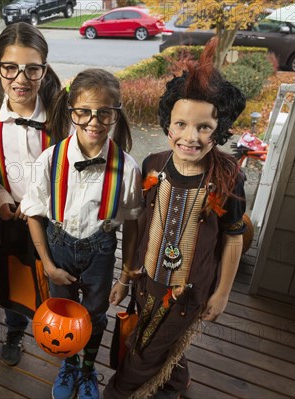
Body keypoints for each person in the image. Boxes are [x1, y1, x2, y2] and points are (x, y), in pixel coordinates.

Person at [103, 39, 247, 399]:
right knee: (154, 343)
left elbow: (232, 236)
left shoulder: (229, 177)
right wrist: (127, 271)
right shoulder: (153, 165)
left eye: (203, 127)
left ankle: (118, 393)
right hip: (146, 279)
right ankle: (177, 388)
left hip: (188, 290)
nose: (190, 136)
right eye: (181, 124)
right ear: (167, 123)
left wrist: (224, 293)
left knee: (144, 352)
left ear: (221, 128)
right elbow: (136, 222)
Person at [21, 68, 143, 399]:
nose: (94, 121)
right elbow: (33, 213)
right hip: (58, 247)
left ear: (116, 113)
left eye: (105, 112)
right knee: (61, 311)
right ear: (71, 110)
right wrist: (46, 262)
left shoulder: (127, 168)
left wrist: (125, 277)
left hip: (101, 251)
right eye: (84, 112)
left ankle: (88, 368)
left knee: (95, 314)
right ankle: (70, 364)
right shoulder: (50, 160)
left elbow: (133, 223)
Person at [0, 22, 62, 367]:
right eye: (10, 68)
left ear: (44, 69)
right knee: (16, 273)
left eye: (32, 68)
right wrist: (0, 199)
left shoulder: (60, 119)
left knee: (55, 272)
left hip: (54, 217)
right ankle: (14, 328)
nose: (21, 79)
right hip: (10, 215)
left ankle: (59, 324)